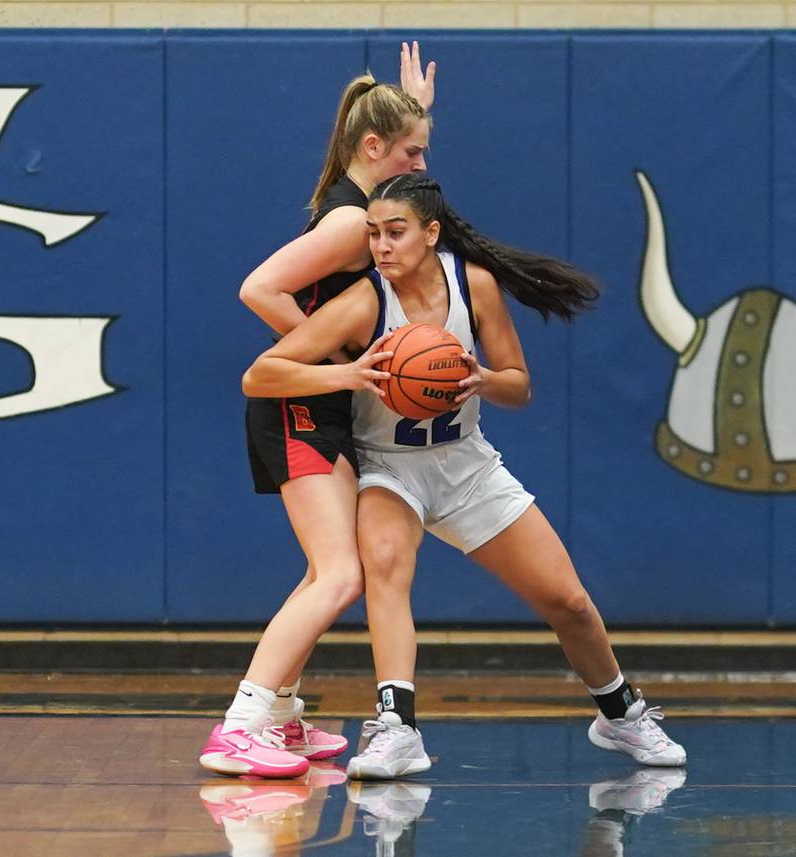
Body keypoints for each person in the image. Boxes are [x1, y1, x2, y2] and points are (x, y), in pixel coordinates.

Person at [241, 173, 688, 779]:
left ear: (430, 233)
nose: (381, 247)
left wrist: (483, 379)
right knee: (387, 564)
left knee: (570, 602)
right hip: (387, 467)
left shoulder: (472, 285)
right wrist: (345, 376)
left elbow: (519, 383)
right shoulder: (364, 301)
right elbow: (262, 375)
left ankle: (620, 713)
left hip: (467, 465)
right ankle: (397, 727)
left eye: (395, 233)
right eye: (372, 234)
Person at [199, 45, 437, 779]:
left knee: (328, 569)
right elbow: (257, 287)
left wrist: (417, 108)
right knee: (339, 574)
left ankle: (280, 714)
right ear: (374, 148)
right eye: (412, 150)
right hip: (298, 403)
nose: (421, 165)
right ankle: (242, 722)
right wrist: (331, 364)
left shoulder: (359, 198)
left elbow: (392, 142)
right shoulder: (346, 223)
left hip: (314, 403)